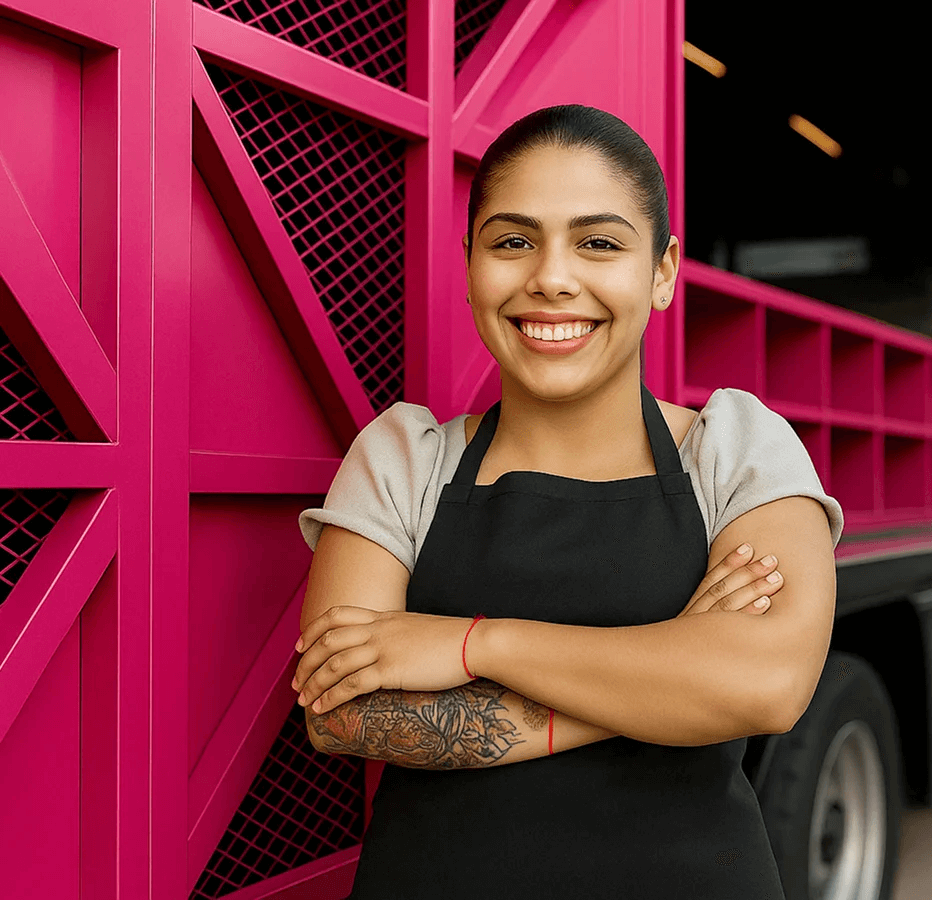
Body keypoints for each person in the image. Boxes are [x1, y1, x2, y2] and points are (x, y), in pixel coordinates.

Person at [294, 104, 843, 899]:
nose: (551, 277)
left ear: (662, 272)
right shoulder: (404, 457)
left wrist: (472, 644)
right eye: (513, 241)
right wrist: (675, 666)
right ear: (473, 263)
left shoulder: (736, 447)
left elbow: (766, 687)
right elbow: (345, 715)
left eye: (599, 243)